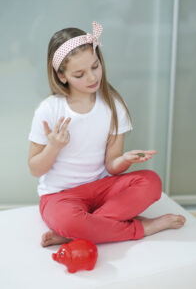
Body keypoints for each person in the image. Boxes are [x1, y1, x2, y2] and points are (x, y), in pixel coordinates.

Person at [28, 21, 186, 247]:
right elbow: (35, 169)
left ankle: (79, 232)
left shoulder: (113, 106)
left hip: (101, 188)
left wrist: (123, 160)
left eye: (95, 66)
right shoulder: (50, 109)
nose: (92, 78)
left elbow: (111, 165)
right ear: (62, 77)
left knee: (151, 182)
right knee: (67, 219)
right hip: (60, 196)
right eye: (80, 74)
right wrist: (53, 147)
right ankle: (142, 227)